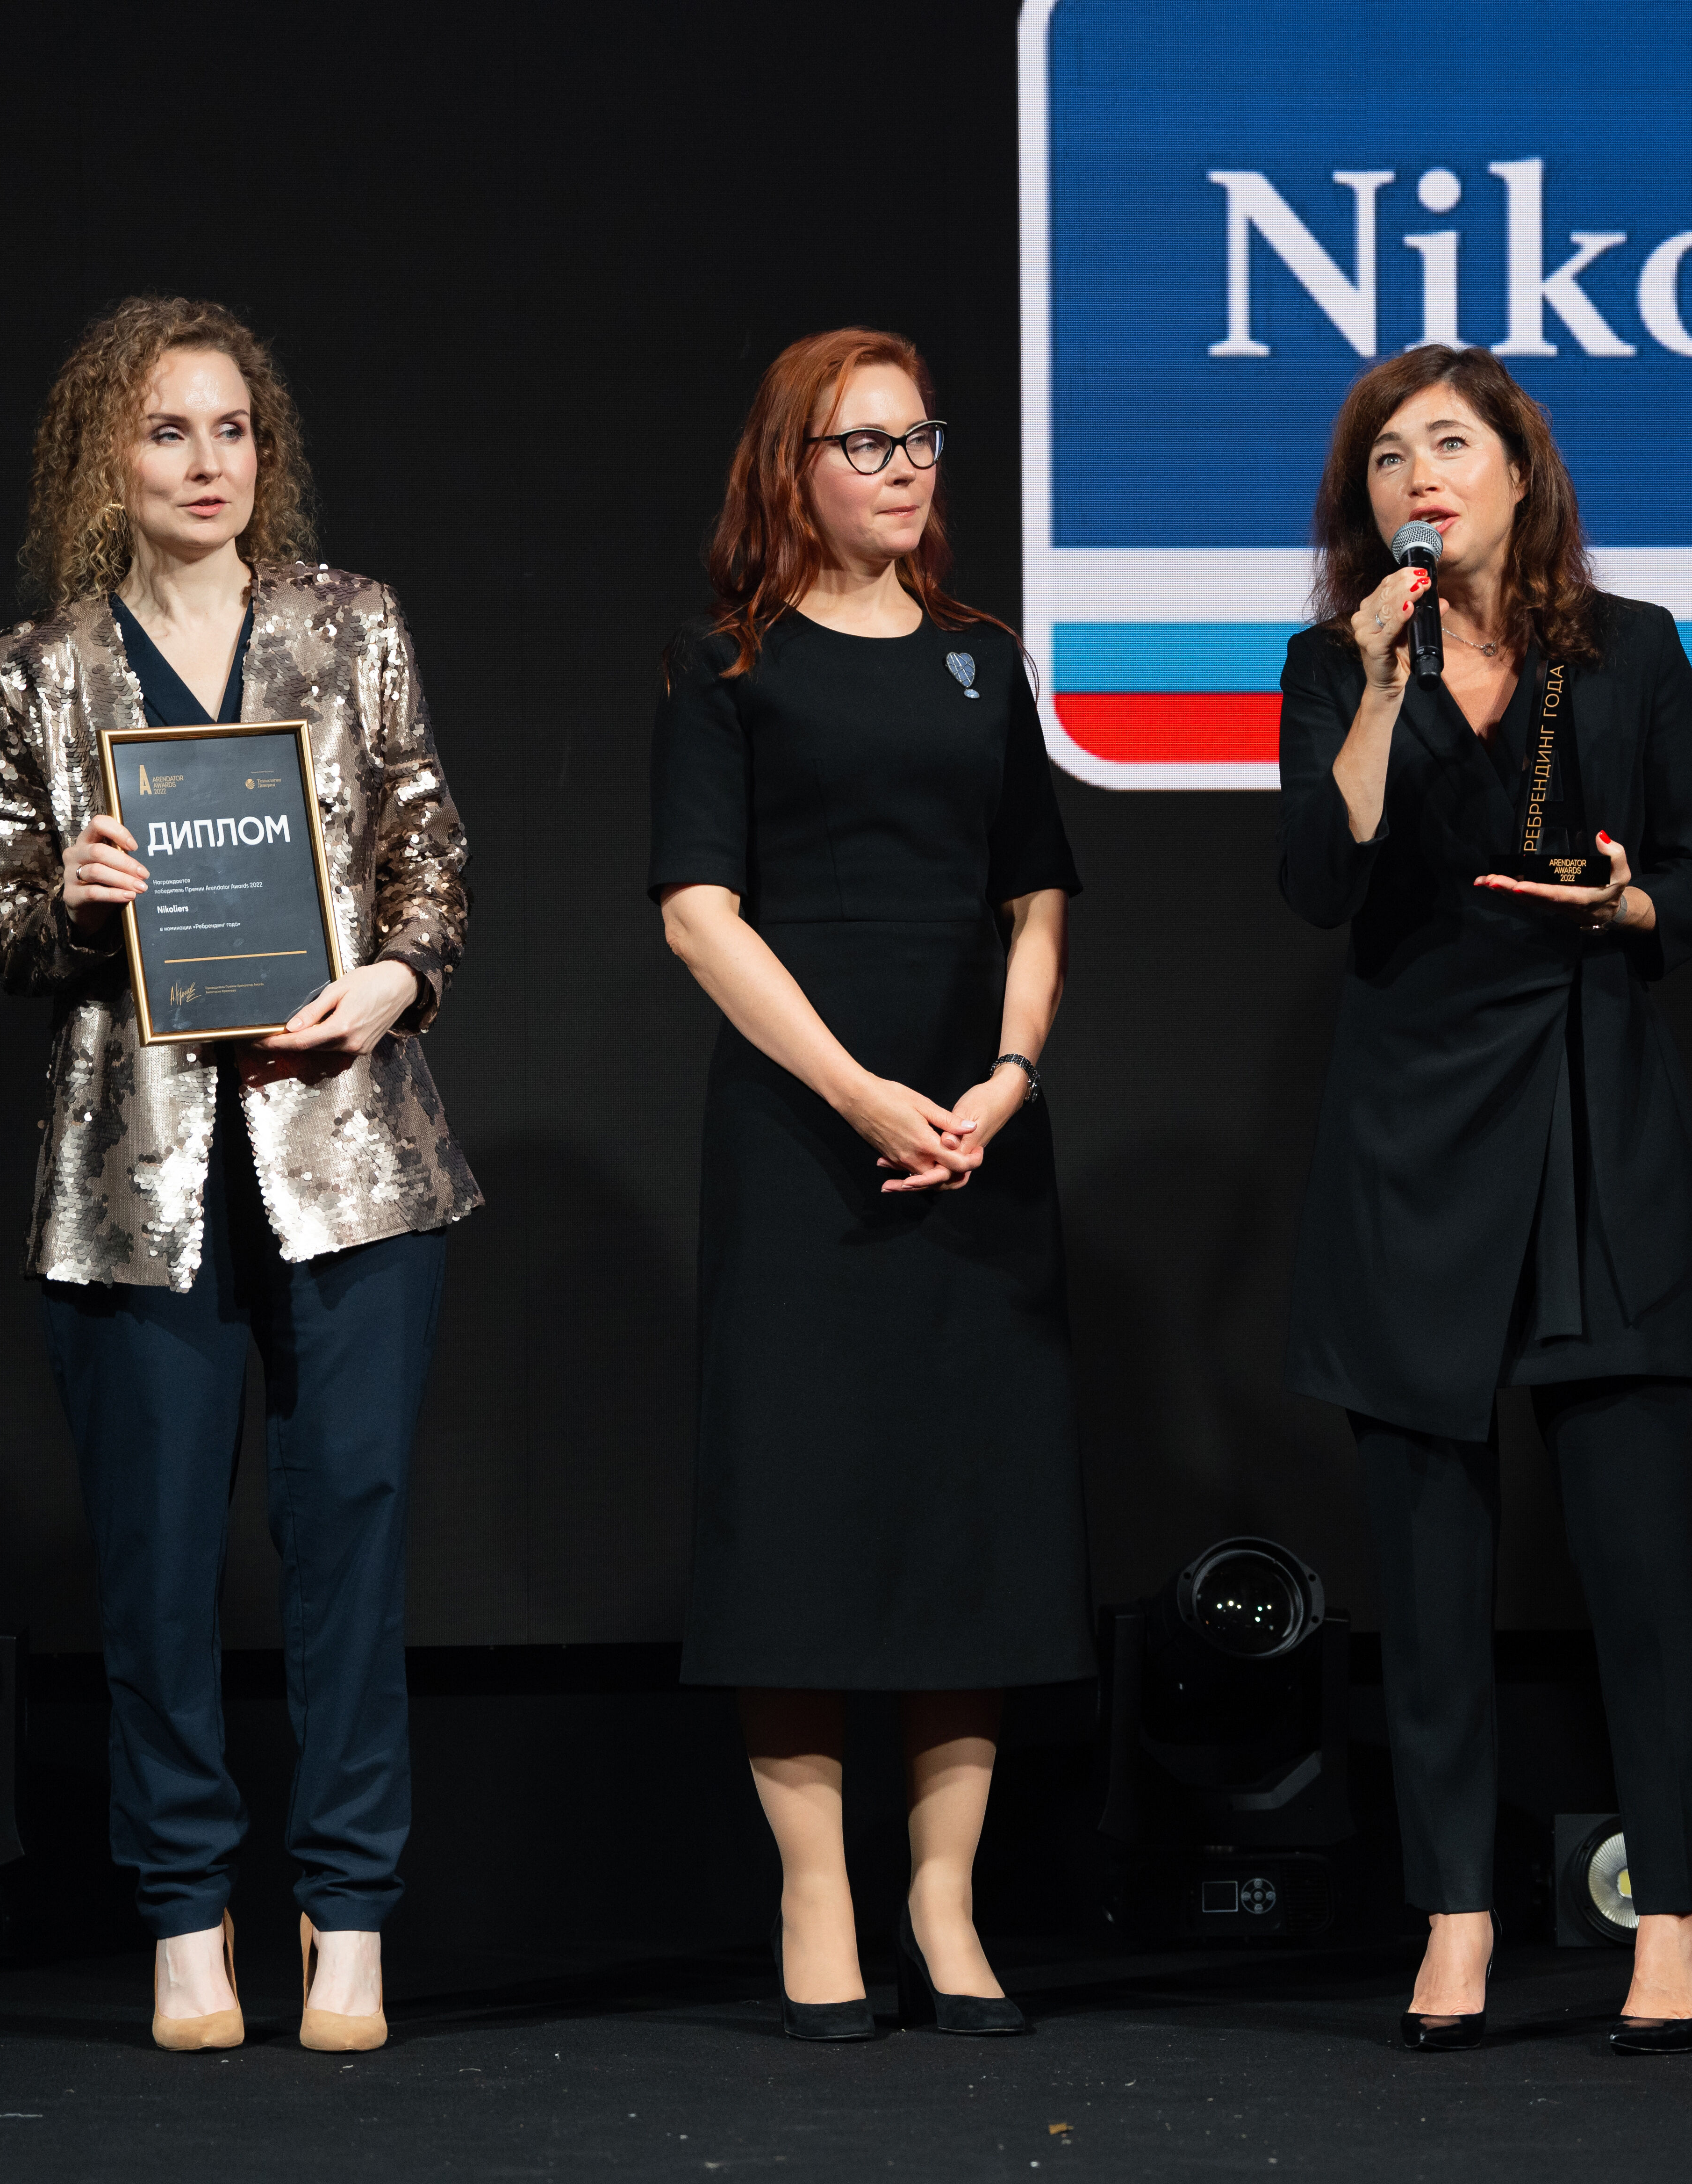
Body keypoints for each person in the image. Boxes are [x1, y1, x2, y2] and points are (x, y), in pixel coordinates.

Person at [0, 296, 476, 2053]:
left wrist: (395, 979)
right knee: (158, 1566)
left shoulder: (353, 624)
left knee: (353, 1553)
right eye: (168, 430)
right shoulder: (40, 669)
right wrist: (67, 900)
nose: (208, 462)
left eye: (234, 429)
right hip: (136, 1174)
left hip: (352, 1154)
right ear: (103, 457)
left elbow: (427, 846)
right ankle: (188, 1913)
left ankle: (351, 1912)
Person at [1276, 346, 1692, 2055]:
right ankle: (1456, 1912)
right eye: (1390, 457)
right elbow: (1317, 879)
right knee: (1427, 1572)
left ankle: (1677, 1908)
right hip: (1413, 1133)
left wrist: (1630, 908)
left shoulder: (1633, 651)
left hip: (1589, 1111)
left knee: (1640, 1563)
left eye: (1453, 445)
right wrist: (1377, 689)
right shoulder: (1335, 663)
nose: (1423, 477)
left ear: (1522, 474)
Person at [649, 329, 1085, 2043]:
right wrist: (855, 1095)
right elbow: (699, 914)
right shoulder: (728, 666)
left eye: (922, 440)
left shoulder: (985, 662)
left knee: (969, 1508)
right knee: (803, 1505)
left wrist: (1005, 1080)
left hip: (975, 1135)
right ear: (794, 468)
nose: (906, 469)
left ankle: (945, 1901)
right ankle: (818, 1894)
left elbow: (1037, 894)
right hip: (804, 1134)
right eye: (869, 443)